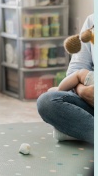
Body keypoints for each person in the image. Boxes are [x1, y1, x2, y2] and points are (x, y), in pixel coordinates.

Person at [38, 15, 94, 143]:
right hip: (90, 98)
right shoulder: (92, 22)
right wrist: (83, 92)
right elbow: (75, 71)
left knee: (62, 131)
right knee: (47, 102)